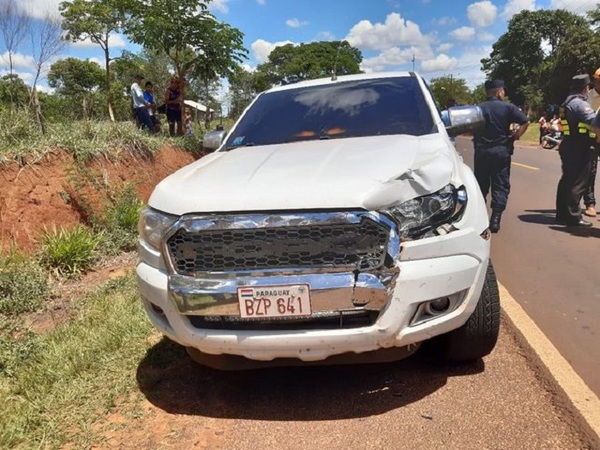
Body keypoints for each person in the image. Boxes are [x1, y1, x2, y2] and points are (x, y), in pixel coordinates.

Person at [472, 79, 530, 233]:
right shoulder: (508, 108)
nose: (504, 93)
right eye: (503, 90)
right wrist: (514, 137)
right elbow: (525, 122)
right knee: (500, 184)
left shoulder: (478, 109)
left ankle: (480, 218)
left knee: (480, 185)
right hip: (501, 151)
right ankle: (495, 219)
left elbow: (469, 128)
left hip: (482, 152)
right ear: (499, 92)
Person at [555, 74, 597, 227]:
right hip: (579, 146)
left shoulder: (566, 102)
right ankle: (574, 216)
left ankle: (561, 214)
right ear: (586, 88)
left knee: (567, 180)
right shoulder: (580, 104)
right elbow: (594, 121)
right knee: (578, 182)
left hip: (568, 144)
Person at [583, 68, 600, 217]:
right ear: (595, 81)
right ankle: (590, 203)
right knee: (591, 170)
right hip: (592, 138)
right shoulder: (588, 96)